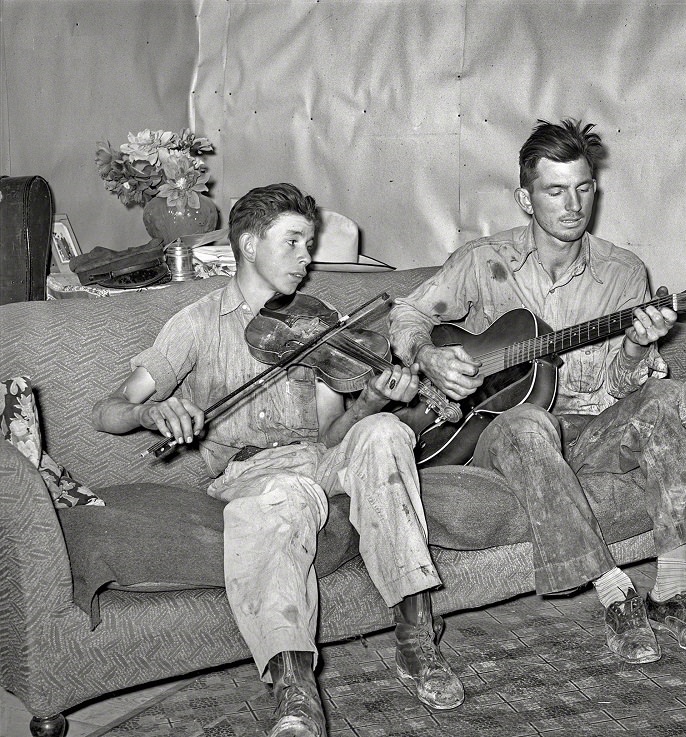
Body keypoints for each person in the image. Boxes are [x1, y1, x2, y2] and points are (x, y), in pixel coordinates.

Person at [92, 183, 464, 737]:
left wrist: (370, 401)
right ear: (247, 244)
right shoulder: (198, 323)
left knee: (385, 430)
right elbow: (109, 410)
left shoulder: (318, 323)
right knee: (280, 496)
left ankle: (416, 638)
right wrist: (150, 414)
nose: (306, 258)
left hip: (319, 456)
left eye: (309, 244)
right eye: (292, 243)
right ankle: (295, 689)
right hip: (248, 472)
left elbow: (334, 432)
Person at [389, 119, 686, 666]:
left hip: (591, 425)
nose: (574, 205)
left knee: (666, 399)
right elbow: (407, 314)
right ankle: (614, 591)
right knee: (526, 424)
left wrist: (637, 351)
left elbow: (622, 388)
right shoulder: (482, 261)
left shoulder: (623, 272)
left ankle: (672, 590)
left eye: (584, 188)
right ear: (525, 198)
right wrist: (428, 355)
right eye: (555, 190)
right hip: (504, 431)